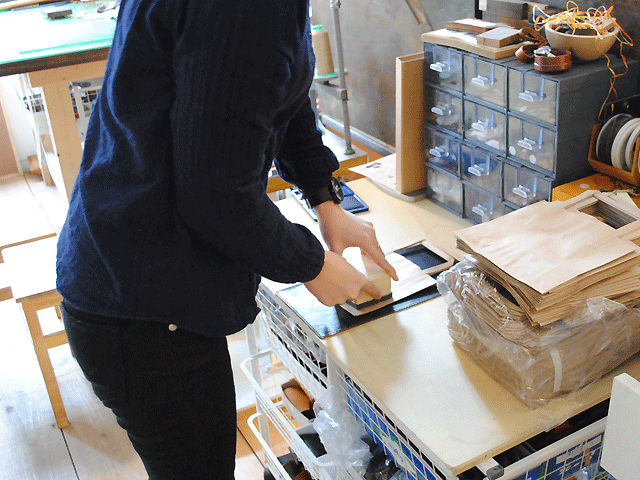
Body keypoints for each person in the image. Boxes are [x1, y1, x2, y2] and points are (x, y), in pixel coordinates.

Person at [56, 0, 397, 479]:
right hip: (143, 307)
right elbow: (216, 197)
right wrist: (312, 264)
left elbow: (280, 83)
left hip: (128, 268)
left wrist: (323, 196)